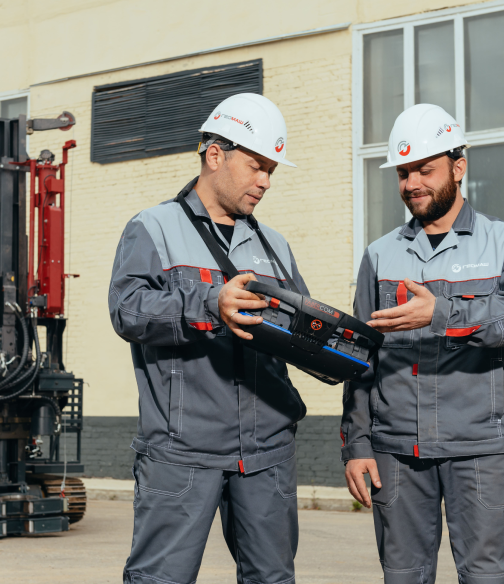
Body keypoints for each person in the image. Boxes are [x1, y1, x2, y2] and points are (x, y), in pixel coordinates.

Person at [342, 104, 504, 584]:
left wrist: (442, 313)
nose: (412, 182)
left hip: (480, 450)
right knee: (403, 576)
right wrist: (357, 443)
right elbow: (359, 357)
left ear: (459, 167)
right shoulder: (380, 255)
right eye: (403, 172)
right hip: (396, 452)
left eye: (425, 169)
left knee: (484, 576)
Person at [109, 93, 309, 584]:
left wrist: (340, 342)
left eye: (272, 171)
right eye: (256, 166)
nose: (265, 181)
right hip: (183, 451)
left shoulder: (273, 245)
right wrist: (207, 304)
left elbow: (299, 328)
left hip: (266, 452)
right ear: (215, 154)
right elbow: (128, 311)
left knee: (272, 578)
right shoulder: (153, 228)